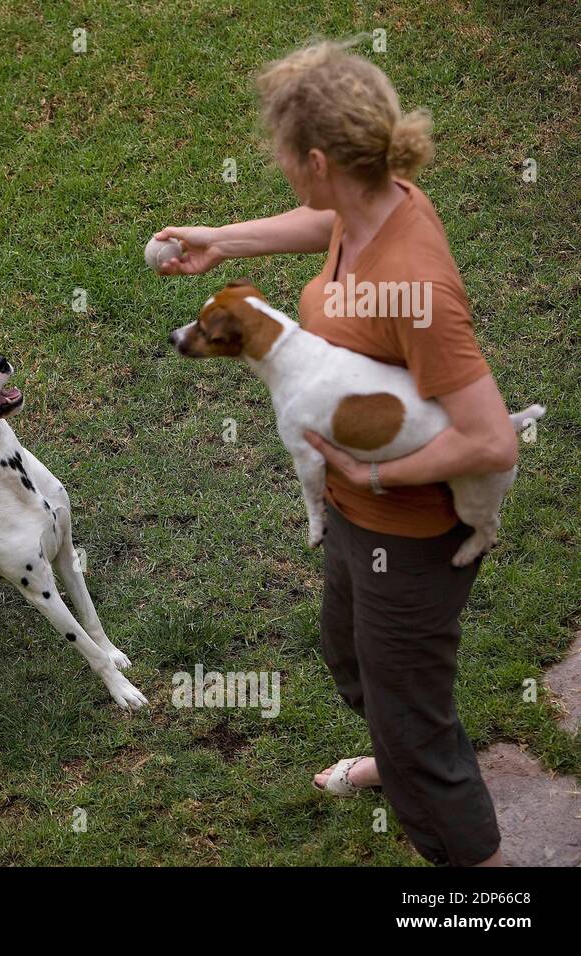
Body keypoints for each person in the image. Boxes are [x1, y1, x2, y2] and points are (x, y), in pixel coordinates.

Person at [155, 39, 517, 866]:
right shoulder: (369, 206)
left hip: (412, 533)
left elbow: (492, 440)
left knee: (415, 723)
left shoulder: (414, 282)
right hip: (359, 520)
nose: (278, 165)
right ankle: (397, 752)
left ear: (315, 160)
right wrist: (225, 240)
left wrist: (374, 472)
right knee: (348, 657)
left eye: (281, 154)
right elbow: (329, 222)